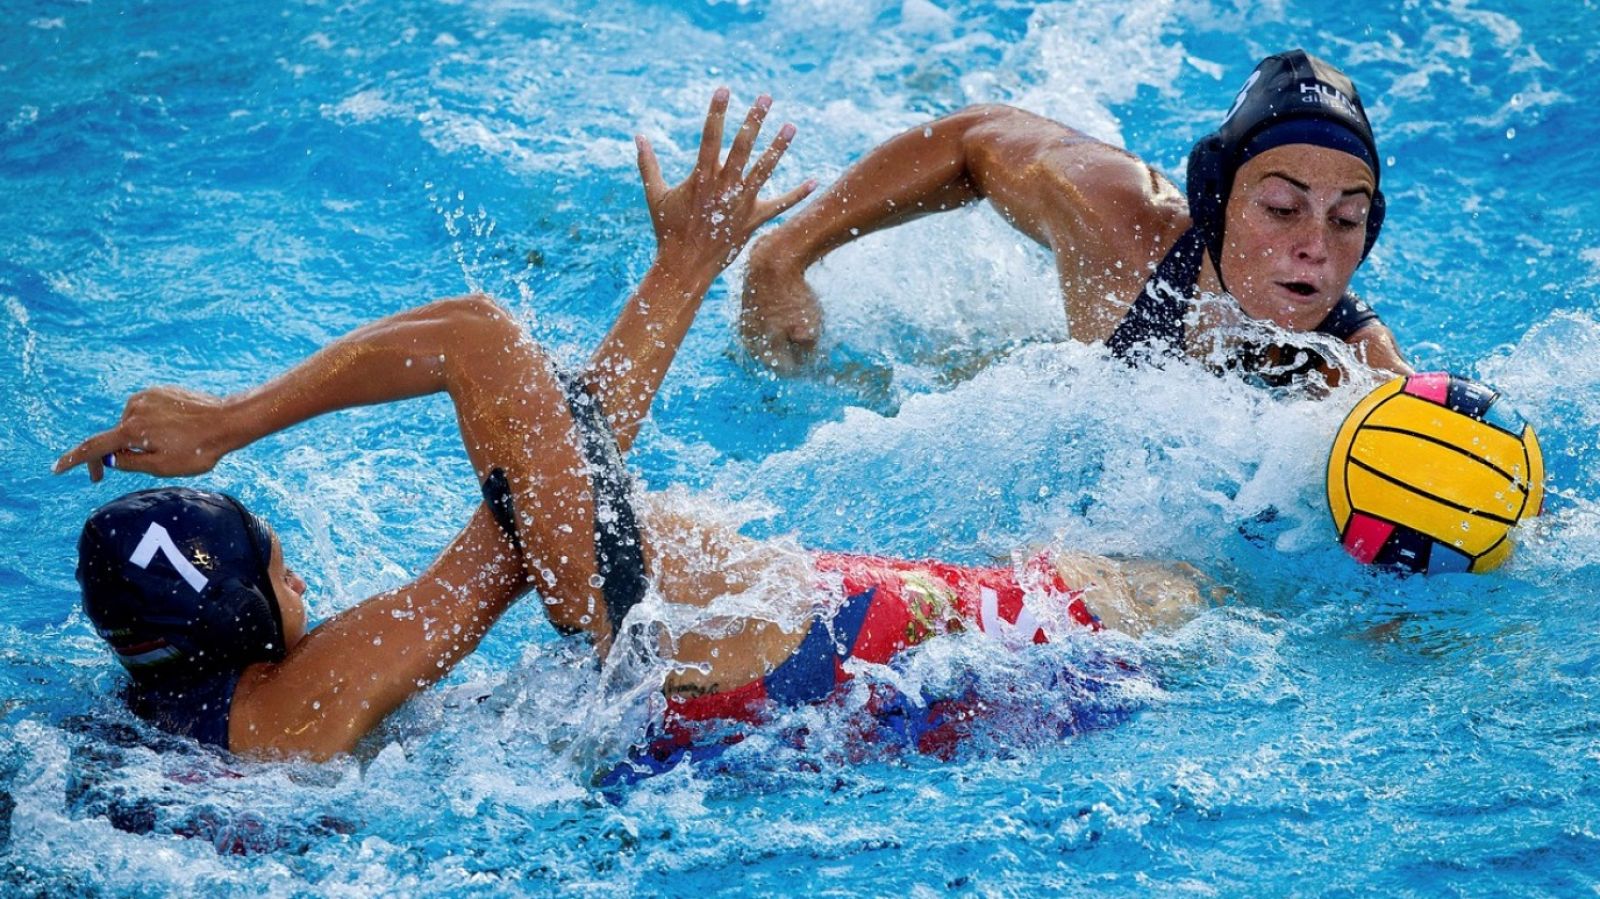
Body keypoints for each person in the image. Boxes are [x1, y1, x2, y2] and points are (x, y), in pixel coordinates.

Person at [55, 91, 1204, 770]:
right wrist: (229, 422)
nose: (298, 569)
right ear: (240, 610)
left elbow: (559, 482)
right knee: (1168, 600)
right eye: (275, 562)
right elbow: (480, 361)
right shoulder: (316, 693)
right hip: (800, 656)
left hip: (729, 702)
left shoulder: (172, 726)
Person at [739, 49, 1413, 386]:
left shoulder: (1358, 370)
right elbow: (974, 136)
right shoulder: (1121, 224)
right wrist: (786, 252)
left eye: (1346, 219)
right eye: (1282, 208)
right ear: (1217, 200)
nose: (1314, 246)